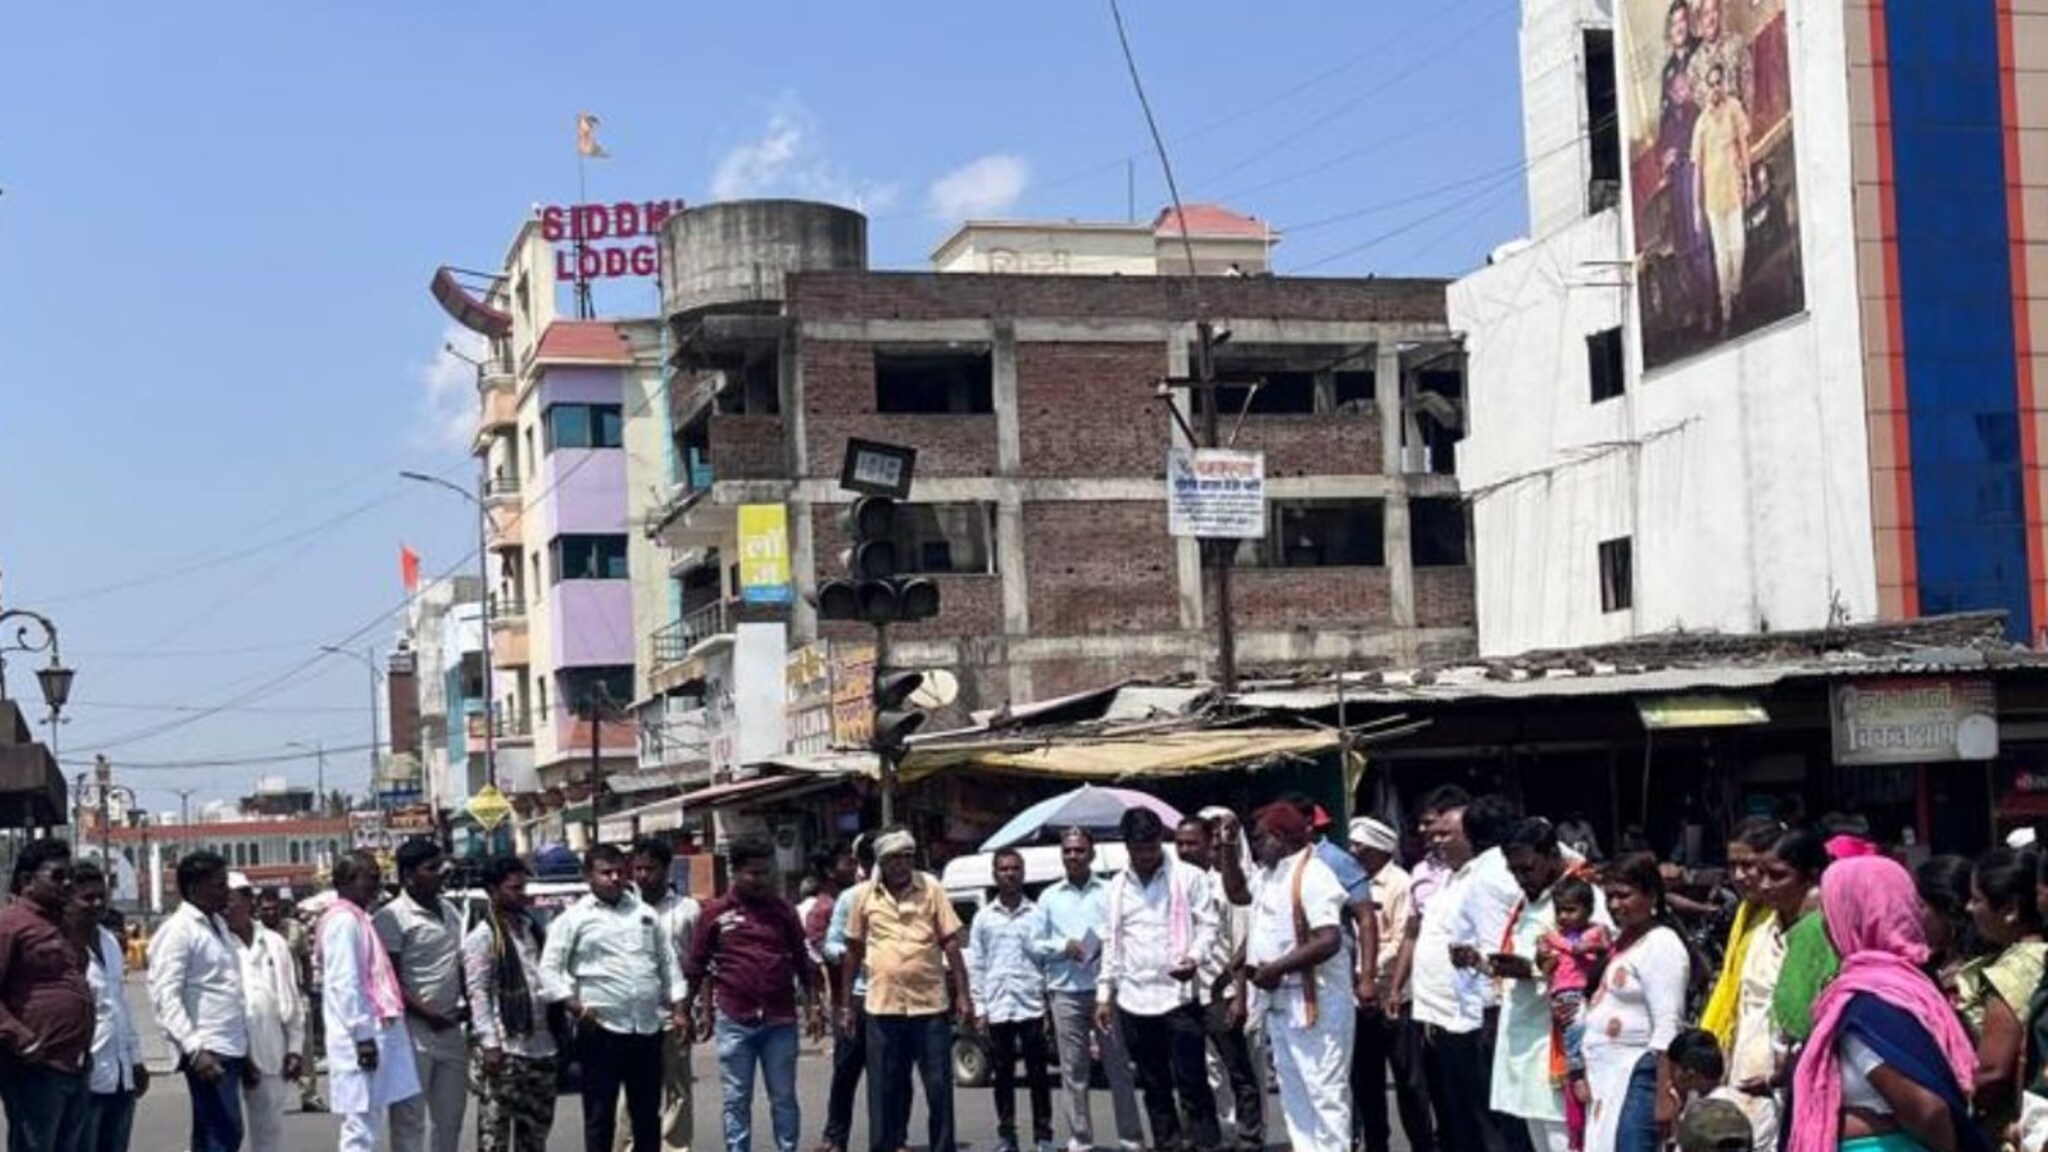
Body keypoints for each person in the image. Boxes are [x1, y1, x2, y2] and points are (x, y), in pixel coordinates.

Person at [1787, 855, 1988, 1152]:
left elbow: (1927, 1110)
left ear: (1852, 917)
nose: (1827, 927)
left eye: (1831, 914)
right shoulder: (1916, 988)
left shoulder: (1866, 1005)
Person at [539, 843, 689, 1152]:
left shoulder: (644, 914)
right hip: (600, 1030)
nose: (614, 878)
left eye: (620, 871)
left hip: (646, 1029)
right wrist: (575, 1006)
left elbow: (667, 964)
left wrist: (680, 1009)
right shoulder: (573, 919)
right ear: (588, 876)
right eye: (606, 873)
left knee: (647, 1116)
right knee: (599, 1116)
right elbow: (549, 971)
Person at [1219, 802, 1351, 1152]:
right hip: (1281, 1003)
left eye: (1260, 838)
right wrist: (1229, 847)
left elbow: (1329, 939)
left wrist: (1276, 968)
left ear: (1279, 837)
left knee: (1325, 1093)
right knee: (1295, 1093)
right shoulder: (1269, 873)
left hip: (1317, 1003)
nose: (1257, 845)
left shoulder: (1314, 875)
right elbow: (1236, 893)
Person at [1097, 807, 1222, 1152]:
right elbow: (1111, 941)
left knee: (1193, 1083)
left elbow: (1209, 925)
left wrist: (1194, 957)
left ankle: (1207, 1146)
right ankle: (1168, 1145)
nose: (1146, 856)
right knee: (1154, 1086)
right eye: (1138, 850)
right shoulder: (1116, 888)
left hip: (1178, 997)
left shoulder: (1188, 877)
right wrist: (1103, 995)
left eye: (1151, 848)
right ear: (1127, 847)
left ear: (1159, 842)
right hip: (1134, 1000)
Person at [686, 838, 819, 1152]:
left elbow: (802, 959)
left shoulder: (783, 911)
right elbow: (696, 965)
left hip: (780, 1020)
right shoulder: (715, 913)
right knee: (736, 1098)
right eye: (754, 874)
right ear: (736, 873)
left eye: (766, 873)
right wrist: (685, 1010)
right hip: (734, 1019)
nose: (762, 880)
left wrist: (814, 1006)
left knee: (784, 1097)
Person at [842, 829, 971, 1152]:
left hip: (929, 1006)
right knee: (884, 1090)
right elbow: (853, 951)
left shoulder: (931, 888)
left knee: (939, 1088)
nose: (901, 864)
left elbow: (951, 942)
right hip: (882, 1009)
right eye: (894, 858)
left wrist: (964, 995)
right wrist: (845, 1005)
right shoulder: (864, 897)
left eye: (907, 857)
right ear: (881, 862)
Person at [1489, 819, 1605, 1152]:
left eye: (1527, 868)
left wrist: (1538, 969)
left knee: (1567, 1138)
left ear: (1553, 855)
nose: (1522, 878)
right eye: (1514, 872)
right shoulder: (1527, 901)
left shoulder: (1581, 897)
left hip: (1559, 1037)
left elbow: (1598, 958)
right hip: (1525, 1038)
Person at [1029, 827, 1147, 1152]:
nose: (1073, 856)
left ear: (1092, 854)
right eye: (1067, 851)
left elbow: (1123, 934)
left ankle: (1131, 1138)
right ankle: (1081, 1140)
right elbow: (1034, 943)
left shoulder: (1110, 891)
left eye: (1079, 850)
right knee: (1073, 1070)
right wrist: (1064, 945)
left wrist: (1101, 947)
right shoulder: (1049, 896)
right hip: (1065, 992)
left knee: (1118, 1068)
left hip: (1104, 992)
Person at [1421, 794, 1527, 1152]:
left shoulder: (1488, 876)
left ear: (1471, 835)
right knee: (1466, 1116)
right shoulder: (1456, 877)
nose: (1436, 841)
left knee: (1492, 1121)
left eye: (1446, 834)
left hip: (1484, 1017)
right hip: (1457, 1014)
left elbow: (1497, 949)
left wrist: (1492, 1013)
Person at [1582, 853, 1691, 1152]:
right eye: (1610, 896)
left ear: (1651, 895)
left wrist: (1663, 1095)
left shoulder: (1662, 944)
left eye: (1624, 895)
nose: (1615, 905)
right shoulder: (1624, 941)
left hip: (1638, 1074)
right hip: (1607, 1077)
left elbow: (1668, 1024)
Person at [1730, 829, 1829, 1150]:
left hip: (1799, 1078)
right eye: (1763, 874)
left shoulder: (1825, 936)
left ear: (1812, 878)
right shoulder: (1761, 930)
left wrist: (1780, 1075)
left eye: (1778, 876)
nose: (1765, 884)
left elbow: (1807, 1017)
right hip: (1749, 1068)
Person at [149, 850, 252, 1152]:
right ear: (195, 889)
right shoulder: (179, 930)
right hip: (208, 1049)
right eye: (219, 885)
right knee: (221, 1133)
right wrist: (194, 1049)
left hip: (231, 1044)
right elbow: (166, 994)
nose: (226, 892)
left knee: (221, 1133)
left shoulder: (217, 925)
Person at [321, 850, 422, 1152]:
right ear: (348, 881)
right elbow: (345, 984)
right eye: (372, 878)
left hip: (378, 1031)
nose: (378, 885)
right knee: (361, 1127)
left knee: (375, 1118)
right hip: (360, 1037)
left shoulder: (358, 918)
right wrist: (363, 1036)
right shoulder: (343, 922)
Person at [374, 838, 469, 1152]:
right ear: (408, 876)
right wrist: (428, 1014)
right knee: (409, 1120)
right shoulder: (391, 917)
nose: (442, 873)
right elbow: (389, 982)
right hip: (411, 1033)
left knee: (450, 1119)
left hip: (451, 1029)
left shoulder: (451, 911)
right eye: (432, 868)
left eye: (441, 866)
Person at [1349, 816, 1434, 1152]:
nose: (1353, 852)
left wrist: (1364, 971)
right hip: (1359, 1000)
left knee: (1411, 1083)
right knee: (1366, 1082)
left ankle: (1423, 1144)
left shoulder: (1400, 883)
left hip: (1395, 996)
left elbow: (1401, 940)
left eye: (1360, 847)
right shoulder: (1352, 882)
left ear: (1379, 849)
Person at [464, 854, 557, 1152]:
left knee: (535, 1137)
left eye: (523, 887)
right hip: (505, 1050)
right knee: (496, 1137)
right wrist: (490, 1044)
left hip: (542, 1047)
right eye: (514, 888)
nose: (522, 894)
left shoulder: (532, 929)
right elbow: (478, 993)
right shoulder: (483, 936)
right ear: (493, 891)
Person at [1186, 811, 1264, 1152]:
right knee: (1195, 1073)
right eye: (1182, 844)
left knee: (1239, 1071)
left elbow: (1242, 944)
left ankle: (1249, 1138)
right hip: (1185, 993)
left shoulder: (1229, 884)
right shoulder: (1177, 884)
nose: (1188, 850)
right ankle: (1211, 1136)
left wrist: (1239, 996)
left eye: (1196, 843)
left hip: (1223, 989)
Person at [968, 847, 1056, 1152]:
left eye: (1015, 868)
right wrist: (980, 1008)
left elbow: (1047, 961)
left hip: (1030, 1005)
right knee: (1003, 1075)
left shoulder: (1038, 915)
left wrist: (1047, 1006)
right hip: (997, 1007)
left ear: (1023, 873)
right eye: (1003, 869)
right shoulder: (983, 919)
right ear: (995, 874)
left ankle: (1043, 1136)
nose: (1009, 874)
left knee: (1038, 1076)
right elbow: (977, 964)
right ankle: (1007, 1135)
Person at [1958, 847, 2044, 1135]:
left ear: (2011, 909)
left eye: (1977, 899)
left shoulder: (2015, 968)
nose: (1969, 908)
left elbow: (1992, 1071)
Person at [629, 838, 702, 1152]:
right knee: (631, 1091)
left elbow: (700, 964)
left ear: (666, 869)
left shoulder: (687, 909)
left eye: (651, 868)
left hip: (675, 1013)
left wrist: (695, 1009)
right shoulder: (624, 908)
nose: (644, 875)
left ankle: (674, 1147)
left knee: (677, 1090)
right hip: (631, 1017)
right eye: (638, 868)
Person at [71, 860, 147, 1152]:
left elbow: (121, 1007)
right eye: (87, 897)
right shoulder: (62, 945)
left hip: (120, 1073)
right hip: (84, 1075)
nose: (97, 903)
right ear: (69, 898)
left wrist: (136, 1059)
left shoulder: (111, 943)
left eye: (101, 896)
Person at [226, 876, 304, 1152]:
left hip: (272, 1048)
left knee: (269, 1133)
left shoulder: (274, 942)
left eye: (231, 899)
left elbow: (291, 997)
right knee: (225, 1133)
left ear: (248, 901)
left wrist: (295, 1048)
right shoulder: (217, 944)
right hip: (231, 1052)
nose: (225, 906)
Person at [1699, 817, 1782, 1049]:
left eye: (1747, 865)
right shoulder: (1745, 912)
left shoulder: (1784, 917)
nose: (1738, 876)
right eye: (1732, 866)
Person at [817, 836, 876, 1152]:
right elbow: (829, 945)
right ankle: (835, 1138)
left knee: (893, 1076)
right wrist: (855, 953)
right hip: (857, 998)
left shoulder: (916, 897)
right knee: (846, 1073)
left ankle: (895, 1137)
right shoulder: (850, 899)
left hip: (898, 999)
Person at [1690, 59, 1753, 328]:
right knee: (1721, 255)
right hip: (1713, 198)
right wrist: (1695, 207)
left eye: (1719, 82)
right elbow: (1696, 168)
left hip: (1734, 189)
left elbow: (1743, 145)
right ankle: (1726, 310)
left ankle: (1736, 290)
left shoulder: (1734, 109)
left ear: (1724, 83)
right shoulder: (1701, 124)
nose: (1716, 88)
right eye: (1711, 84)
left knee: (1738, 247)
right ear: (1706, 88)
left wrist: (1749, 181)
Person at [264, 890, 325, 1113]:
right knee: (272, 1047)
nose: (270, 912)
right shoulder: (253, 932)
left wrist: (307, 988)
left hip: (295, 994)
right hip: (268, 998)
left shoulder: (293, 928)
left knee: (304, 1046)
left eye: (273, 908)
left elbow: (305, 960)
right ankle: (272, 1096)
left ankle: (309, 1094)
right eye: (265, 909)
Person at [1915, 856, 1978, 1000]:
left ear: (1948, 911)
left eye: (1921, 906)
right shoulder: (1930, 963)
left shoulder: (1975, 977)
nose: (1914, 915)